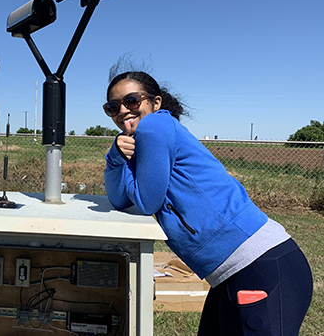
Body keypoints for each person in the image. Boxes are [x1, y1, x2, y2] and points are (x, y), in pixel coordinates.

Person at [103, 70, 312, 335]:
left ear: (156, 103)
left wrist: (125, 168)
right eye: (113, 106)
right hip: (229, 274)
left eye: (132, 100)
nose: (122, 110)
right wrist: (115, 158)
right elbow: (119, 200)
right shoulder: (141, 140)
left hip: (260, 264)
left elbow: (146, 202)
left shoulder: (155, 125)